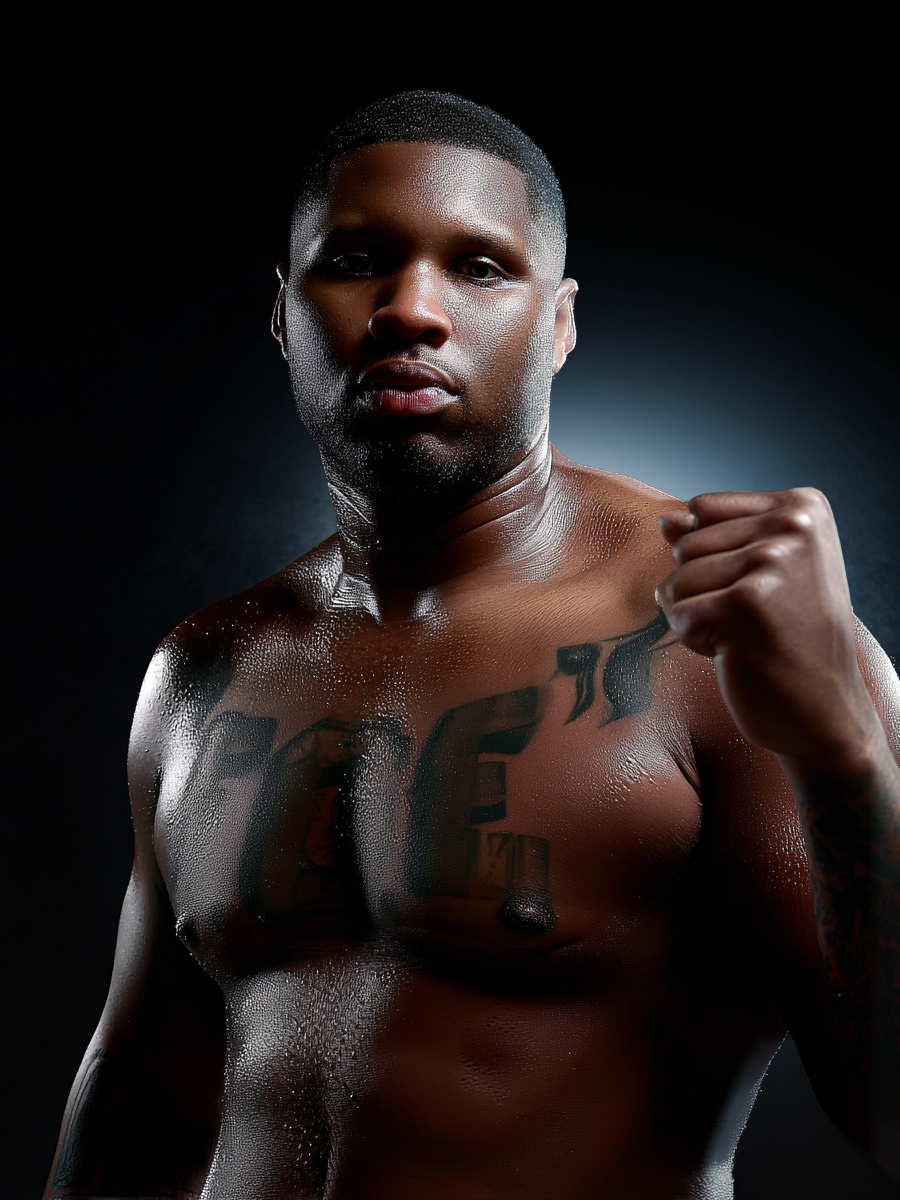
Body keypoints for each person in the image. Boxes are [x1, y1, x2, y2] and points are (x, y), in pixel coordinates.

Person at [44, 91, 900, 1200]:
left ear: (560, 323)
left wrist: (842, 748)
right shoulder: (205, 668)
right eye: (356, 260)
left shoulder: (715, 633)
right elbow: (144, 1094)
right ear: (284, 313)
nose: (411, 308)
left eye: (480, 268)